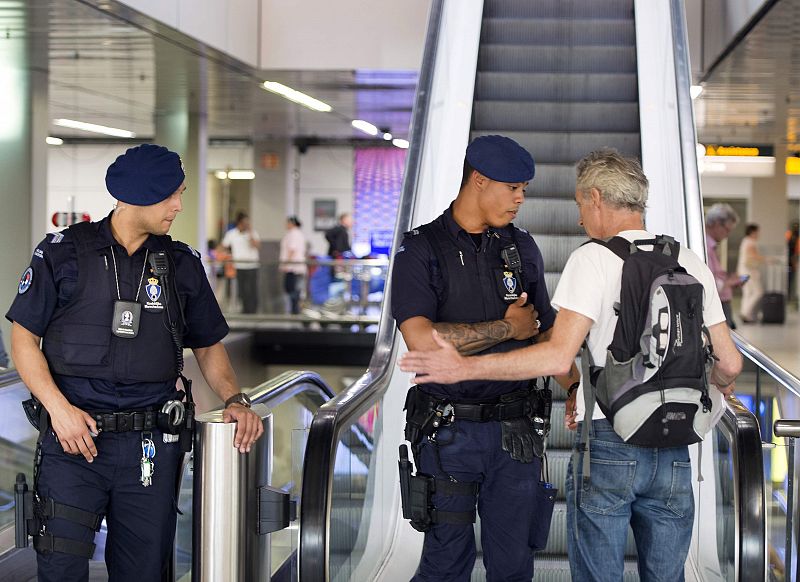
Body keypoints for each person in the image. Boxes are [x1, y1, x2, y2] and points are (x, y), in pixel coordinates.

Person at [400, 149, 742, 582]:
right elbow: (729, 363)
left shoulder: (592, 258)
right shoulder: (690, 261)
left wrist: (462, 369)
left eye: (581, 205)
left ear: (597, 198)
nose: (580, 219)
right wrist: (716, 389)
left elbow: (557, 353)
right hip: (675, 446)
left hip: (609, 437)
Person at [7, 144, 264, 582]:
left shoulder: (180, 264)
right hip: (73, 442)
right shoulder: (62, 253)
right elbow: (24, 338)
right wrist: (58, 409)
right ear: (142, 193)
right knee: (61, 568)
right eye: (172, 195)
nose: (179, 206)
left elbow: (208, 346)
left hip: (150, 446)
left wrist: (234, 398)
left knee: (143, 572)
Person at [391, 134, 579, 581]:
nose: (520, 200)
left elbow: (548, 333)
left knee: (513, 565)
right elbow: (422, 342)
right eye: (512, 188)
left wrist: (574, 386)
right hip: (446, 431)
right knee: (445, 563)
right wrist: (508, 329)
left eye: (524, 191)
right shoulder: (420, 250)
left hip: (516, 434)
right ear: (479, 180)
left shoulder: (521, 248)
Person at [705, 202, 742, 329]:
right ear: (715, 224)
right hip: (717, 305)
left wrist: (728, 280)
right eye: (727, 230)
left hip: (722, 302)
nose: (727, 235)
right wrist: (728, 283)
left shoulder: (712, 247)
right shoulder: (705, 247)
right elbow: (708, 282)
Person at [222, 212, 260, 313]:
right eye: (244, 222)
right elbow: (224, 246)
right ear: (239, 222)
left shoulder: (253, 233)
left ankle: (252, 311)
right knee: (242, 290)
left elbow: (256, 246)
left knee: (251, 290)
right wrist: (228, 255)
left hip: (252, 266)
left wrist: (250, 233)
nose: (246, 224)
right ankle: (244, 310)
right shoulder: (231, 234)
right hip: (239, 266)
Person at [737, 223, 770, 323]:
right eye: (757, 232)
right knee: (758, 292)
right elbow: (753, 256)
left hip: (742, 271)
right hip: (749, 272)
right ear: (752, 232)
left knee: (747, 293)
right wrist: (767, 259)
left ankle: (745, 314)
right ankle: (745, 313)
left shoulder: (745, 241)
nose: (758, 234)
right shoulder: (751, 242)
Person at [279, 216, 307, 314]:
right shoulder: (297, 233)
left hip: (293, 267)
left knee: (293, 290)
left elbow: (292, 249)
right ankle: (295, 310)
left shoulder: (294, 234)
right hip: (295, 267)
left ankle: (295, 311)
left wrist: (286, 264)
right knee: (294, 290)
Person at [787, 222, 799, 302]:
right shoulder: (788, 234)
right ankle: (788, 296)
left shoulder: (797, 238)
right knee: (788, 280)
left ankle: (789, 296)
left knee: (789, 280)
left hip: (790, 262)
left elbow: (796, 253)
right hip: (789, 262)